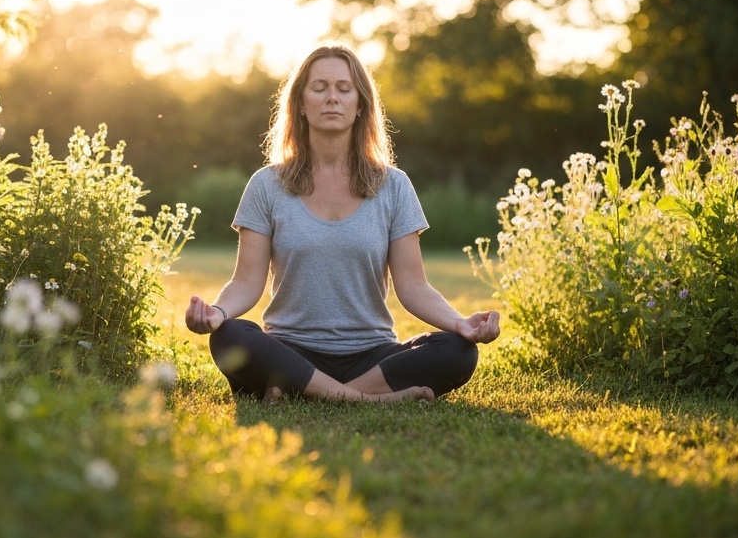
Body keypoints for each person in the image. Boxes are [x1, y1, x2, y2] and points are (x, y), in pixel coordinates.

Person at [184, 45, 501, 403]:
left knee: (457, 351)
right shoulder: (266, 185)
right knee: (231, 336)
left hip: (371, 355)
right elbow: (246, 282)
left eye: (344, 89)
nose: (332, 98)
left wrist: (459, 323)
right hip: (291, 350)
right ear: (300, 103)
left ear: (360, 104)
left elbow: (413, 286)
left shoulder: (394, 186)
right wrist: (218, 313)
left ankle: (305, 392)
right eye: (319, 88)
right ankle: (368, 398)